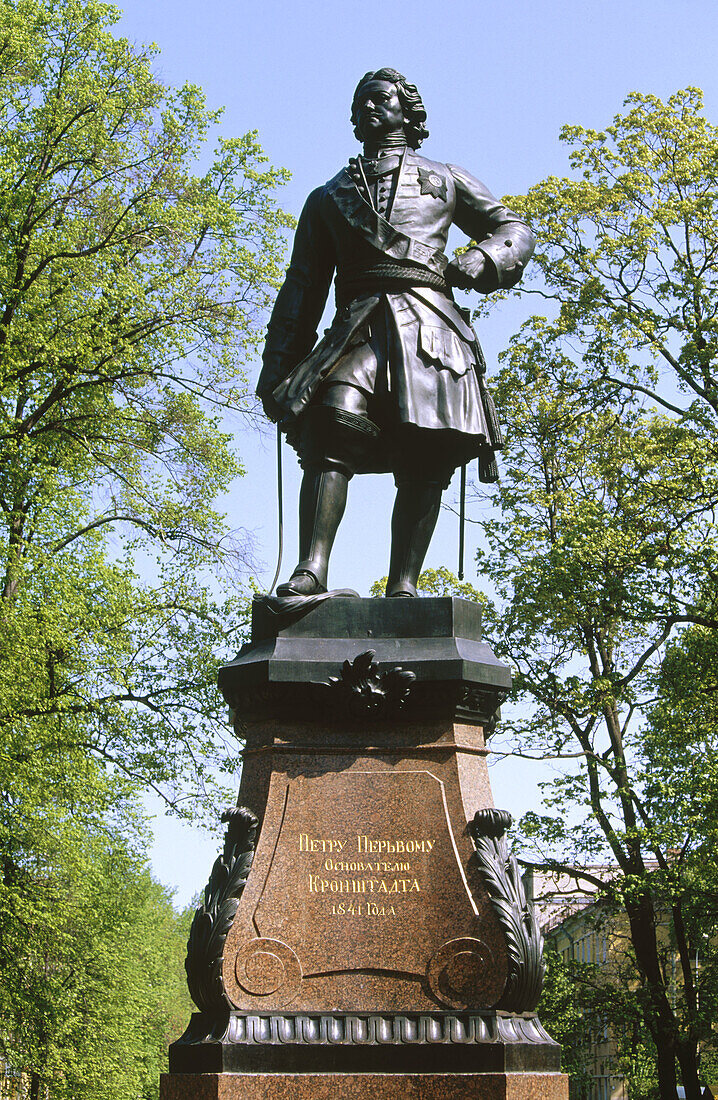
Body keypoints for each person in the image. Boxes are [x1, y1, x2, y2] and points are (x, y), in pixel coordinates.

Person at [257, 68, 535, 598]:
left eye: (378, 98)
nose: (367, 107)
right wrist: (279, 367)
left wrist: (483, 258)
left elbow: (513, 228)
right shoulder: (328, 198)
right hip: (357, 327)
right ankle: (312, 567)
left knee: (426, 452)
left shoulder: (446, 177)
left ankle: (403, 586)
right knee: (329, 418)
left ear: (407, 110)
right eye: (358, 101)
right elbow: (302, 288)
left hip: (431, 327)